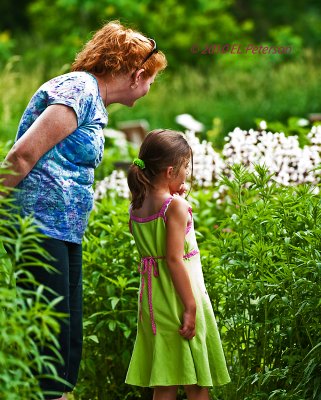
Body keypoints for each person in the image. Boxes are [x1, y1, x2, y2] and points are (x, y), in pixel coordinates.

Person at [0, 21, 167, 400]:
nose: (150, 87)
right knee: (51, 344)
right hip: (38, 226)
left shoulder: (91, 95)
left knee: (67, 338)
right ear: (138, 72)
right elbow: (22, 155)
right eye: (151, 78)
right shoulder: (78, 89)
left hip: (62, 229)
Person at [126, 129, 231, 400]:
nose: (187, 173)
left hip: (153, 300)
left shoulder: (136, 205)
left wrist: (177, 194)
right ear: (171, 171)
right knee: (196, 380)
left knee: (166, 379)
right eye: (186, 167)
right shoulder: (175, 207)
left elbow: (159, 236)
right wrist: (191, 307)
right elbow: (174, 259)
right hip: (180, 297)